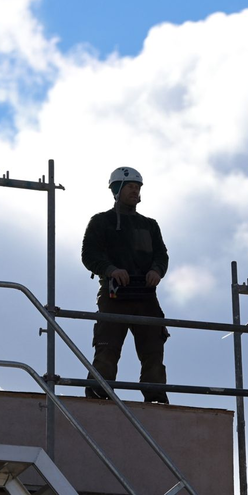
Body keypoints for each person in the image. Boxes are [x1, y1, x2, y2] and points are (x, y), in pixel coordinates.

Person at [81, 166, 171, 404]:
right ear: (117, 190)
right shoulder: (101, 222)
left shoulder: (150, 225)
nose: (136, 191)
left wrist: (156, 270)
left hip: (146, 297)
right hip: (114, 297)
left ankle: (155, 396)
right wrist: (111, 270)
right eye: (131, 186)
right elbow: (89, 255)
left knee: (153, 349)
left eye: (138, 187)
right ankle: (99, 392)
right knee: (107, 347)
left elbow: (162, 255)